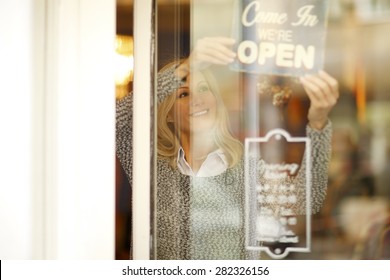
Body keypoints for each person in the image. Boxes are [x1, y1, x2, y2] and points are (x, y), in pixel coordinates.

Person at [116, 37, 339, 259]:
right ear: (168, 115)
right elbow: (115, 118)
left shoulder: (245, 169)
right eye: (184, 93)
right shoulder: (150, 168)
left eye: (204, 89)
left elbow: (306, 199)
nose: (198, 99)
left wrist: (318, 124)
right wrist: (185, 68)